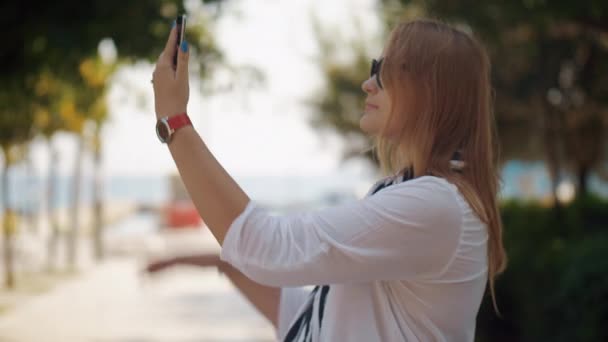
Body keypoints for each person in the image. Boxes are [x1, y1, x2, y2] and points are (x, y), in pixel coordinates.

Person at [148, 18, 507, 342]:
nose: (369, 84)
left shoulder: (435, 205)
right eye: (374, 69)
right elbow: (313, 317)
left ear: (431, 89)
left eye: (385, 70)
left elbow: (269, 248)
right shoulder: (403, 191)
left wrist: (174, 120)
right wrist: (223, 260)